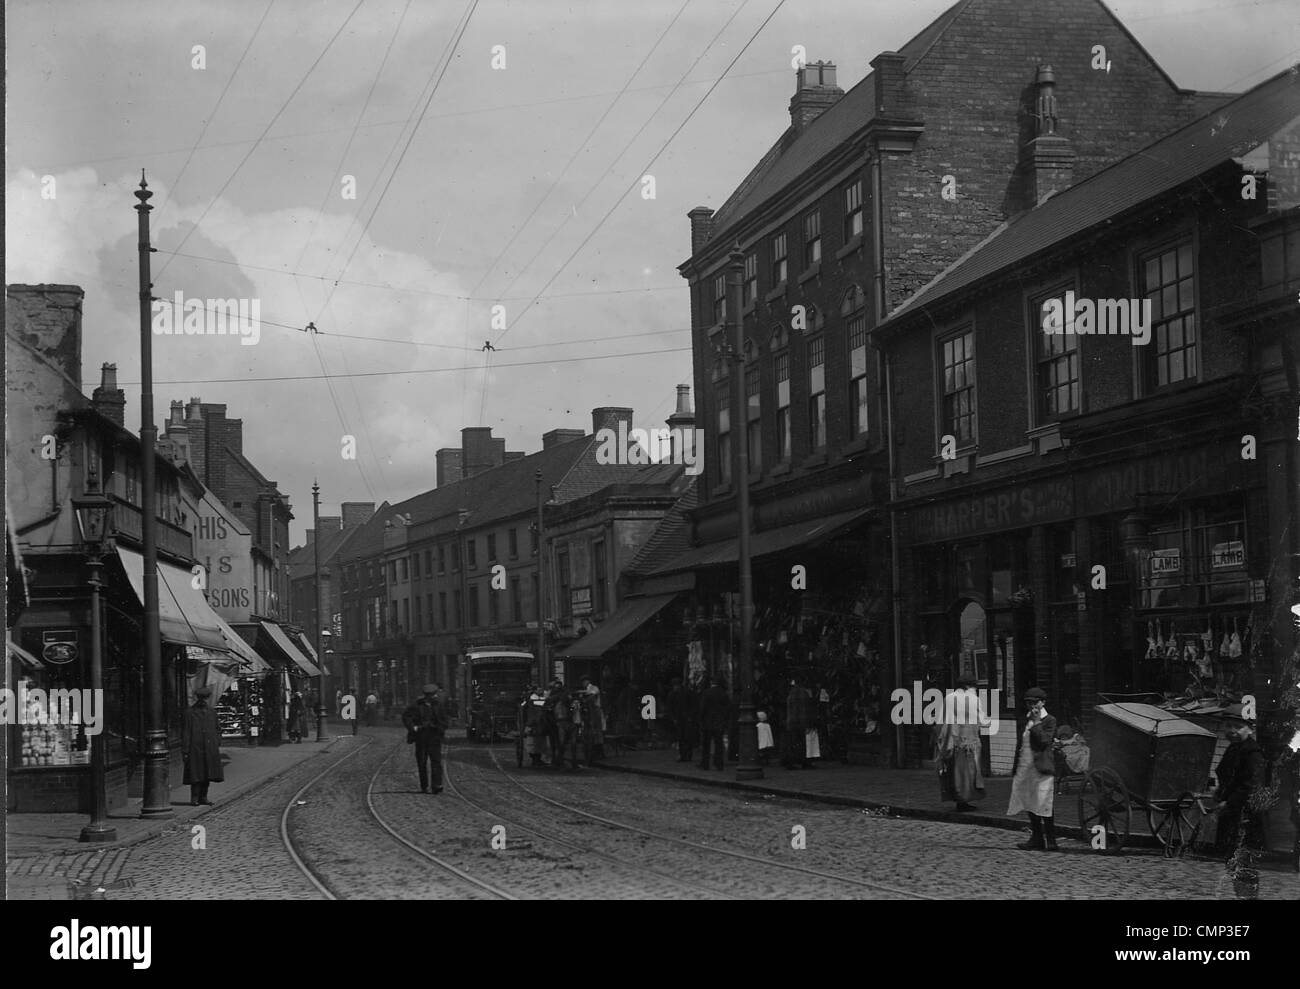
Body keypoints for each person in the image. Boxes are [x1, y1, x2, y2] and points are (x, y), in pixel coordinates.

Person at [1006, 687, 1058, 851]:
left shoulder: (1049, 720)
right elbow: (1021, 744)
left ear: (1042, 703)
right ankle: (1036, 837)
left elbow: (1044, 741)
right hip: (1025, 765)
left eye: (1034, 702)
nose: (1031, 706)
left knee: (1044, 802)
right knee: (1029, 801)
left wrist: (1036, 723)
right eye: (1028, 703)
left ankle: (1051, 839)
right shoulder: (1025, 719)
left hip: (1041, 766)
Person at [1214, 721, 1265, 857]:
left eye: (1238, 727)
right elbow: (1224, 772)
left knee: (1238, 852)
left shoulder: (1253, 752)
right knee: (1225, 851)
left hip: (1243, 808)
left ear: (1250, 730)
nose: (1232, 730)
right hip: (1230, 806)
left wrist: (1229, 801)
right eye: (1229, 725)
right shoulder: (1233, 748)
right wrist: (1220, 791)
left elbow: (1252, 783)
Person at [936, 675, 986, 811]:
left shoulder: (949, 698)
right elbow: (982, 721)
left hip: (953, 742)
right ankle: (964, 801)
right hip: (969, 741)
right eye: (974, 687)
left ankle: (959, 800)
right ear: (968, 687)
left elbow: (941, 720)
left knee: (955, 772)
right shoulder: (974, 700)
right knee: (968, 773)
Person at [402, 684, 447, 793]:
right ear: (427, 696)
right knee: (422, 762)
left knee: (436, 761)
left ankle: (436, 785)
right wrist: (413, 727)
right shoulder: (416, 705)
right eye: (432, 695)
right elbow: (406, 716)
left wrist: (441, 728)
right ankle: (424, 785)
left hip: (434, 736)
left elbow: (444, 719)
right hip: (421, 737)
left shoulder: (438, 705)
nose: (434, 697)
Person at [182, 686, 224, 806]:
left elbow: (217, 729)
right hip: (195, 748)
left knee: (208, 773)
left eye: (205, 698)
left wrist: (217, 741)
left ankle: (204, 797)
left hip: (210, 748)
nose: (203, 701)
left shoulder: (212, 712)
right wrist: (185, 750)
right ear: (198, 698)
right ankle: (194, 798)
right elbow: (186, 732)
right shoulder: (190, 713)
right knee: (196, 774)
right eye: (201, 698)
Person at [783, 678, 815, 769]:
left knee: (793, 743)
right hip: (801, 721)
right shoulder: (804, 693)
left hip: (792, 722)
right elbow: (806, 709)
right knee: (802, 743)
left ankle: (791, 762)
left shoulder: (791, 693)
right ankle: (804, 762)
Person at [698, 677, 729, 770]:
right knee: (718, 744)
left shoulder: (707, 693)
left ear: (711, 683)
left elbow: (702, 708)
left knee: (706, 744)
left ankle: (705, 764)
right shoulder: (723, 693)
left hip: (707, 722)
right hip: (719, 722)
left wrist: (701, 719)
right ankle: (718, 764)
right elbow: (727, 708)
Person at [549, 680, 579, 771]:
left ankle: (571, 760)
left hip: (567, 719)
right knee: (562, 741)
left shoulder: (565, 694)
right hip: (559, 720)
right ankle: (560, 759)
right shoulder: (554, 695)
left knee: (571, 742)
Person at [666, 677, 698, 763]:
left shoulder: (683, 693)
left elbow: (693, 705)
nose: (675, 687)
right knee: (682, 738)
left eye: (676, 685)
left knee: (685, 737)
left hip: (684, 718)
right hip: (681, 718)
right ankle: (685, 755)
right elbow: (670, 708)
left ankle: (686, 755)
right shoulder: (674, 694)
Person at [579, 676, 605, 760]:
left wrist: (585, 700)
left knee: (597, 730)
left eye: (584, 681)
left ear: (587, 681)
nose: (583, 684)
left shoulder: (594, 688)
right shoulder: (585, 690)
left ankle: (599, 750)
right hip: (588, 711)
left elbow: (593, 696)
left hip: (595, 711)